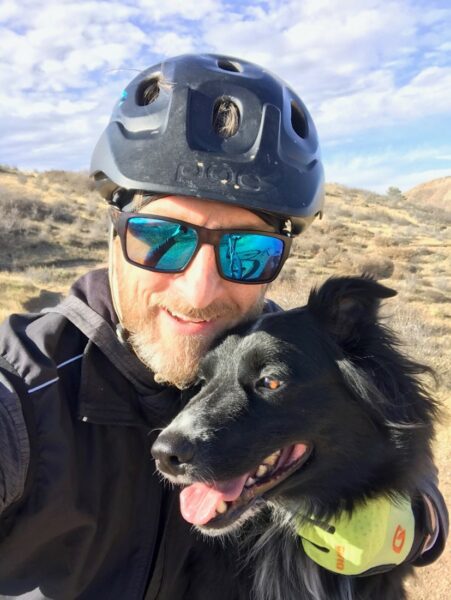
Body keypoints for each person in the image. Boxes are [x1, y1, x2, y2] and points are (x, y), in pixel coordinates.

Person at [0, 54, 447, 599]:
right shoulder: (22, 393)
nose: (200, 291)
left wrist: (415, 519)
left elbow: (388, 419)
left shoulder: (281, 345)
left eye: (248, 250)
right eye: (162, 237)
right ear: (112, 230)